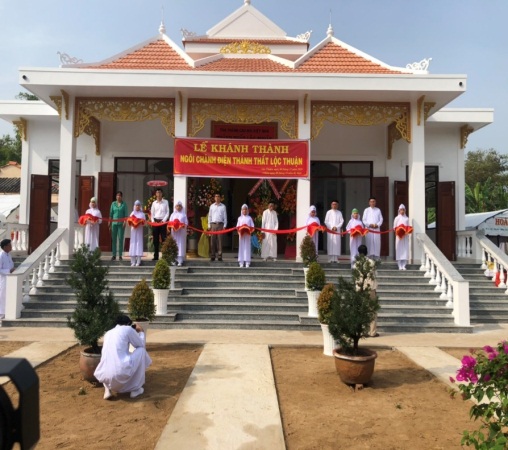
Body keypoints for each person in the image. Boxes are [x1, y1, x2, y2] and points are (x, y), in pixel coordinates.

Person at [94, 314, 152, 400]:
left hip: (105, 375)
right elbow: (140, 344)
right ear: (128, 323)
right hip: (120, 373)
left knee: (109, 361)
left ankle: (107, 390)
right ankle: (135, 389)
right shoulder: (128, 329)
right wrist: (141, 332)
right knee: (141, 351)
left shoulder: (108, 333)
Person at [356, 244, 379, 337]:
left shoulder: (357, 263)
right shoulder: (371, 262)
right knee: (372, 310)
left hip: (360, 288)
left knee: (361, 310)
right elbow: (374, 275)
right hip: (370, 288)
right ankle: (372, 332)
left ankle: (361, 331)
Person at [150, 188, 170, 261]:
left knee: (164, 238)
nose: (158, 194)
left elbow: (168, 212)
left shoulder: (165, 202)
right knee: (155, 239)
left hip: (163, 222)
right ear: (155, 194)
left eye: (160, 192)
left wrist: (164, 220)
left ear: (162, 193)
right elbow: (152, 213)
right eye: (157, 192)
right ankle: (156, 256)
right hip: (155, 222)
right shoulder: (154, 203)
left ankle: (165, 255)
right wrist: (153, 221)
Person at [208, 193, 227, 262]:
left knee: (220, 241)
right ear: (214, 198)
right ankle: (212, 255)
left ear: (220, 198)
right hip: (213, 224)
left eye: (218, 196)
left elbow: (225, 216)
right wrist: (209, 226)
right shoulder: (212, 206)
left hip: (220, 224)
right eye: (216, 196)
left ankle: (219, 255)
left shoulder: (223, 206)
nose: (217, 198)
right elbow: (209, 216)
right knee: (212, 241)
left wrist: (225, 225)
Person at [109, 191, 128, 261]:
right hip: (114, 224)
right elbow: (111, 214)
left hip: (121, 224)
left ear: (121, 197)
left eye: (119, 195)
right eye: (117, 195)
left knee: (120, 239)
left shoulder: (124, 204)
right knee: (114, 239)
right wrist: (109, 222)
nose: (118, 197)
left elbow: (126, 215)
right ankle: (114, 255)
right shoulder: (113, 204)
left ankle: (120, 255)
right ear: (116, 196)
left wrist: (125, 222)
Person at [169, 200, 188, 267]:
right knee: (174, 244)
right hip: (174, 233)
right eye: (177, 206)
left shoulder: (183, 215)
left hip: (181, 233)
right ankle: (173, 260)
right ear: (175, 207)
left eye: (180, 206)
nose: (178, 207)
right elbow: (169, 223)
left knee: (180, 245)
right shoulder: (173, 214)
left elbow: (186, 223)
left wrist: (181, 225)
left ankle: (180, 261)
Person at [0, 239, 15, 319]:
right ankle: (1, 313)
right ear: (5, 247)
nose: (11, 247)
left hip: (10, 278)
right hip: (3, 279)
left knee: (9, 295)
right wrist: (9, 271)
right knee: (2, 296)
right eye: (9, 245)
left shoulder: (9, 255)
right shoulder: (1, 256)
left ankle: (8, 311)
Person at [129, 200, 145, 267]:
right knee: (133, 244)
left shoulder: (142, 214)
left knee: (139, 244)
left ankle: (138, 261)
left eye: (138, 205)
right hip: (133, 231)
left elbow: (144, 222)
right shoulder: (132, 213)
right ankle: (132, 261)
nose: (137, 206)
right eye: (136, 205)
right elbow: (129, 221)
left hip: (139, 231)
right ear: (134, 206)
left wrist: (139, 222)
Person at [394, 204, 410, 270]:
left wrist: (406, 231)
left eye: (403, 210)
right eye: (401, 210)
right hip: (398, 236)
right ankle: (399, 265)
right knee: (399, 249)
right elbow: (394, 227)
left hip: (405, 236)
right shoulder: (397, 218)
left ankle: (404, 265)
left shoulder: (407, 218)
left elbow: (408, 227)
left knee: (405, 249)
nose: (402, 211)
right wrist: (399, 230)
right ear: (399, 210)